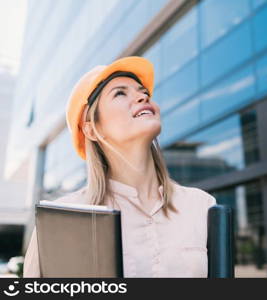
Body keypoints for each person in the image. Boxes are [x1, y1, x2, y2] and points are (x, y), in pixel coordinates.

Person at [23, 56, 217, 278]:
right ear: (92, 130)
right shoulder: (61, 218)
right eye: (120, 93)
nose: (143, 96)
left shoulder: (201, 205)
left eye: (144, 92)